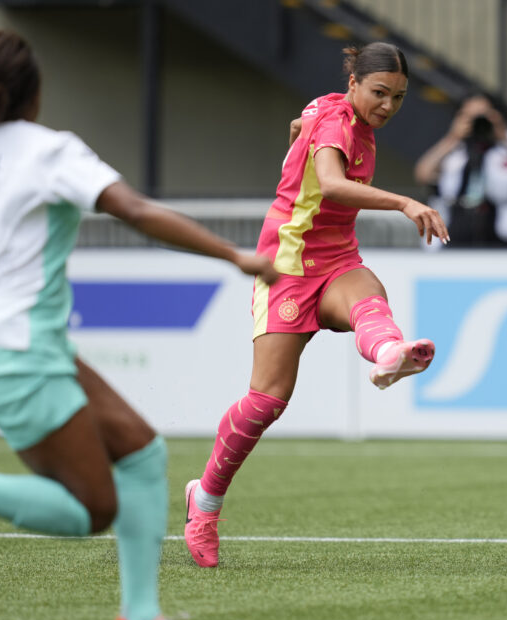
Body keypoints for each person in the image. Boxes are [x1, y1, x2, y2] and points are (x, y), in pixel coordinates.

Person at [0, 30, 278, 620]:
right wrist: (231, 254)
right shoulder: (50, 151)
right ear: (36, 92)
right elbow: (132, 209)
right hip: (15, 352)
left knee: (141, 454)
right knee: (91, 509)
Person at [182, 42, 449, 569]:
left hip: (335, 260)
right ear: (354, 84)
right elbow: (329, 182)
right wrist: (403, 201)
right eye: (379, 93)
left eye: (398, 97)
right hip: (284, 266)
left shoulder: (328, 109)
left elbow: (296, 130)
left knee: (367, 294)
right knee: (267, 401)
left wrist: (295, 148)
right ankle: (205, 502)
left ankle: (390, 353)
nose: (388, 106)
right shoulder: (338, 122)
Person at [414, 94, 507, 248]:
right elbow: (423, 174)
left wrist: (503, 136)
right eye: (469, 117)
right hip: (458, 237)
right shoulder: (454, 149)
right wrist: (453, 138)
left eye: (483, 116)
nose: (477, 122)